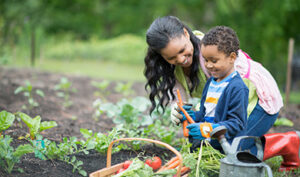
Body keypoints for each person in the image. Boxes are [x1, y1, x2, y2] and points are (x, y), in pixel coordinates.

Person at [144, 16, 283, 153]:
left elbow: (235, 116)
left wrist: (209, 129)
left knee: (233, 149)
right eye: (172, 57)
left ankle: (284, 143)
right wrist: (179, 110)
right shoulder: (174, 68)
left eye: (182, 50)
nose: (181, 59)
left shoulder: (215, 55)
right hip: (229, 107)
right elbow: (182, 99)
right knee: (208, 146)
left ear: (186, 34)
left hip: (260, 101)